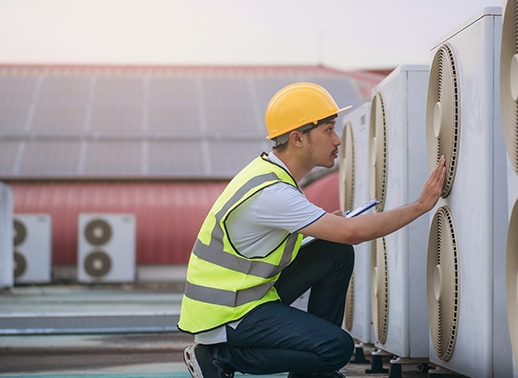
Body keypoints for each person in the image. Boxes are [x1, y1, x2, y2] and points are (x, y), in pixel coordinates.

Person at [179, 82, 446, 378]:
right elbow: (352, 232)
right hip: (228, 314)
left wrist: (328, 227)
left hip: (248, 296)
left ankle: (313, 371)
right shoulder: (273, 192)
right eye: (328, 130)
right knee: (337, 349)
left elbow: (281, 238)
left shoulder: (272, 176)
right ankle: (219, 358)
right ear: (297, 138)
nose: (337, 140)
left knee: (335, 252)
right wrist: (421, 206)